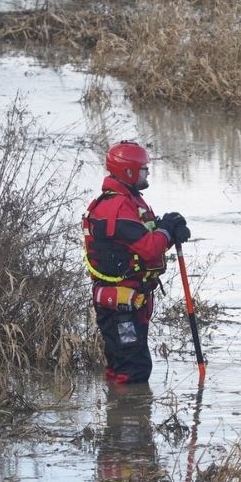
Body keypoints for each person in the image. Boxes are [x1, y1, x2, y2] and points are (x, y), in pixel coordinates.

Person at [82, 140, 190, 384]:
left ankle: (122, 415)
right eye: (144, 168)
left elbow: (140, 247)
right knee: (132, 371)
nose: (148, 172)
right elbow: (150, 248)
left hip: (132, 299)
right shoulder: (118, 207)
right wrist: (167, 230)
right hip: (121, 304)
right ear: (128, 171)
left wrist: (170, 233)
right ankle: (127, 418)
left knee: (127, 365)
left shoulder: (129, 201)